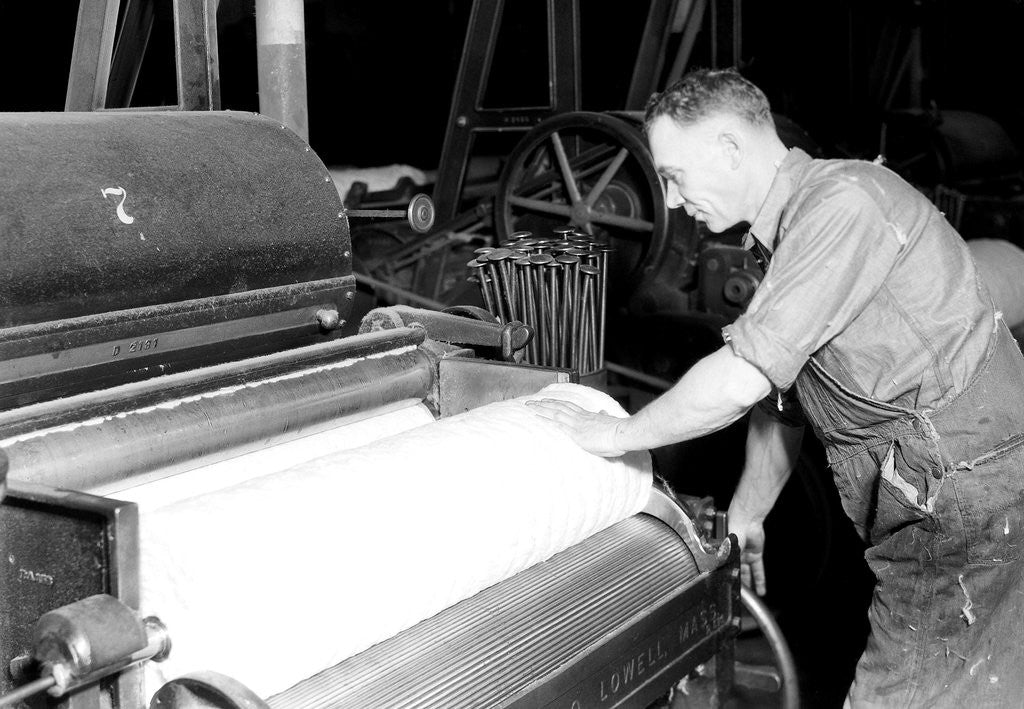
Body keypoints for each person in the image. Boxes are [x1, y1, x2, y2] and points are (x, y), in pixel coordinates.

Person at [527, 68, 1024, 707]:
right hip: (949, 493)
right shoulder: (792, 231)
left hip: (966, 507)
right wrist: (749, 512)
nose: (672, 202)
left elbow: (741, 378)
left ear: (730, 148)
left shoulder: (842, 206)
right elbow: (786, 403)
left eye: (674, 176)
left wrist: (615, 434)